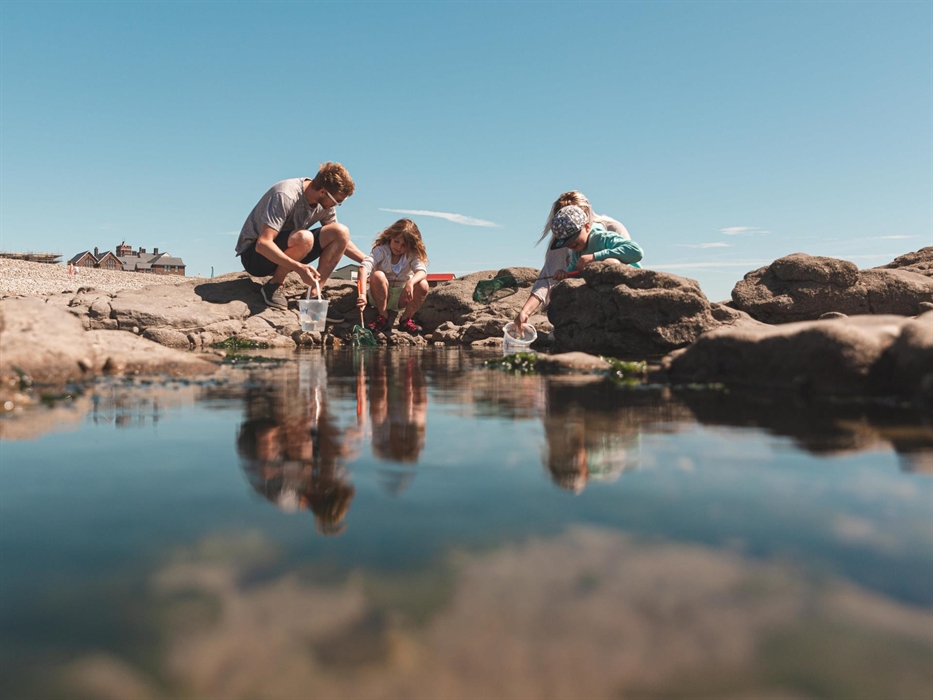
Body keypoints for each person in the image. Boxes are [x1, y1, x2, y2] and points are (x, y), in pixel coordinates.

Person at [234, 162, 366, 314]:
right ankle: (274, 285)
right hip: (255, 256)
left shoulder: (325, 204)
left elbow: (338, 240)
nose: (337, 205)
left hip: (290, 251)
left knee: (341, 231)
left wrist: (370, 262)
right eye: (337, 201)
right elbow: (263, 244)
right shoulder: (286, 195)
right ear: (323, 192)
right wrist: (299, 268)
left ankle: (313, 296)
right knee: (305, 238)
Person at [514, 190, 635, 333]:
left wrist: (596, 257)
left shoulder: (612, 229)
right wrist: (525, 312)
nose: (569, 241)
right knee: (555, 310)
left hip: (613, 293)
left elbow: (632, 256)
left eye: (573, 236)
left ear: (586, 220)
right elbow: (546, 280)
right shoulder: (563, 241)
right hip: (582, 298)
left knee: (612, 262)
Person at [356, 218, 430, 334]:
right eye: (396, 241)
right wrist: (362, 294)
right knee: (378, 275)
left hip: (401, 297)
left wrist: (410, 283)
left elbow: (422, 271)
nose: (399, 247)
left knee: (423, 284)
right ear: (391, 236)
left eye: (404, 245)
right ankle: (383, 317)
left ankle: (406, 319)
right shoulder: (381, 250)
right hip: (379, 294)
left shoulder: (411, 255)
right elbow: (363, 268)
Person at [549, 204, 643, 280]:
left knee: (610, 262)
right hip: (603, 289)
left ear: (587, 227)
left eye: (573, 238)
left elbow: (636, 251)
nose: (571, 244)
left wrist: (595, 257)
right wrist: (565, 274)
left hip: (633, 279)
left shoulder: (601, 238)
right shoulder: (577, 253)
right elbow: (574, 272)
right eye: (566, 243)